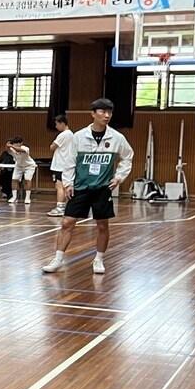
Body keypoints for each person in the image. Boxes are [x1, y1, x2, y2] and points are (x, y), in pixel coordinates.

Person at [42, 98, 134, 275]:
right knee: (67, 222)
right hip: (80, 187)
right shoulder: (78, 137)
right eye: (102, 112)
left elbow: (128, 157)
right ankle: (58, 258)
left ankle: (98, 259)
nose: (106, 115)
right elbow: (69, 162)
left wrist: (119, 177)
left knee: (102, 225)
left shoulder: (117, 138)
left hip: (102, 189)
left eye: (109, 112)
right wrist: (68, 183)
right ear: (93, 114)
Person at [48, 113, 73, 217]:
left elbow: (52, 147)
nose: (56, 126)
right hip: (67, 164)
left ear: (62, 123)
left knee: (60, 186)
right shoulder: (71, 134)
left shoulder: (63, 135)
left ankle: (60, 208)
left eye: (57, 124)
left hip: (60, 165)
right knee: (66, 186)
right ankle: (66, 207)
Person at [6, 136, 37, 205]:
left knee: (27, 180)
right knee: (14, 180)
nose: (16, 144)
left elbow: (20, 150)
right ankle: (14, 197)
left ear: (21, 143)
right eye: (14, 143)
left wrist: (11, 146)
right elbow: (8, 150)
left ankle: (27, 198)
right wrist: (7, 145)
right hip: (19, 166)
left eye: (17, 143)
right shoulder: (12, 149)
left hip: (29, 166)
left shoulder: (25, 148)